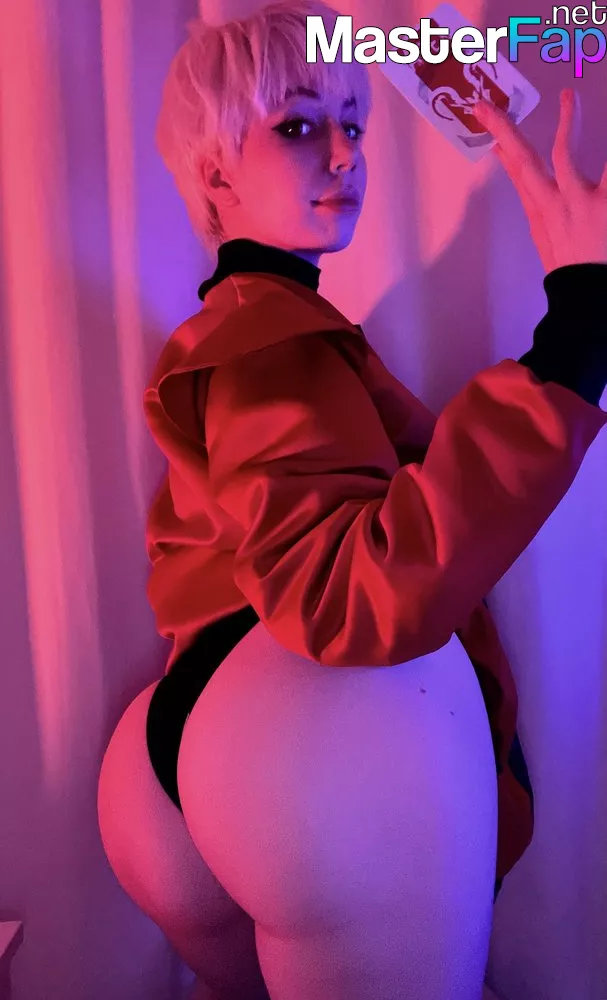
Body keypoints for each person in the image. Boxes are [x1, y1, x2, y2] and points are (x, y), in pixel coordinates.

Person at [96, 2, 607, 998]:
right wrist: (578, 334)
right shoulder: (267, 338)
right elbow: (348, 591)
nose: (343, 153)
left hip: (179, 752)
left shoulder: (255, 329)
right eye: (296, 125)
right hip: (310, 736)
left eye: (352, 124)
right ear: (215, 174)